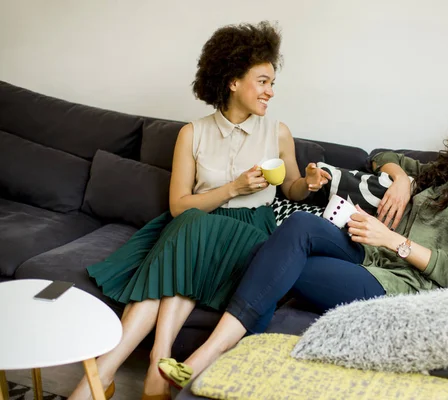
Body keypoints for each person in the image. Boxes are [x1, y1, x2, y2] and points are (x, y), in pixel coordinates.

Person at [157, 82, 448, 387]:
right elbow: (381, 156)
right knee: (299, 226)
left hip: (405, 287)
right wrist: (401, 181)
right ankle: (222, 348)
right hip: (373, 256)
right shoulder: (445, 170)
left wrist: (391, 239)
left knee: (285, 263)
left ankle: (212, 352)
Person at [68, 21, 330, 400]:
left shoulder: (278, 132)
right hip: (193, 224)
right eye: (262, 81)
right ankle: (137, 370)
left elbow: (290, 188)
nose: (270, 92)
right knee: (190, 226)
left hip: (248, 232)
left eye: (273, 83)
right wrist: (233, 188)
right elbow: (178, 205)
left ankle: (103, 377)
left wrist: (306, 183)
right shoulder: (192, 133)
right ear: (232, 81)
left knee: (186, 237)